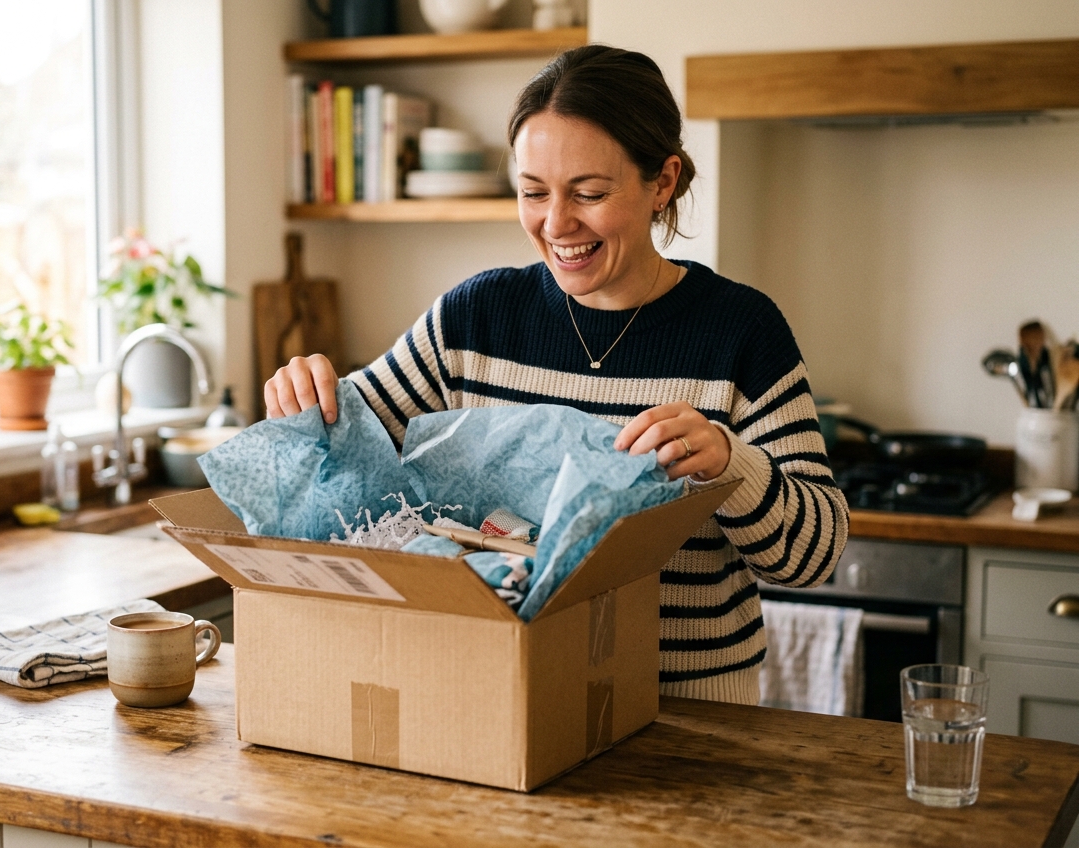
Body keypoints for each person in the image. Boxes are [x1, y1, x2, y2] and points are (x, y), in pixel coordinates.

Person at [264, 45, 849, 706]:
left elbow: (815, 556)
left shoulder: (742, 331)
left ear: (662, 181)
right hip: (502, 697)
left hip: (691, 717)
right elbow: (339, 459)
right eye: (533, 192)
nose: (557, 223)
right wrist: (306, 396)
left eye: (590, 193)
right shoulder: (474, 319)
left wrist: (729, 465)